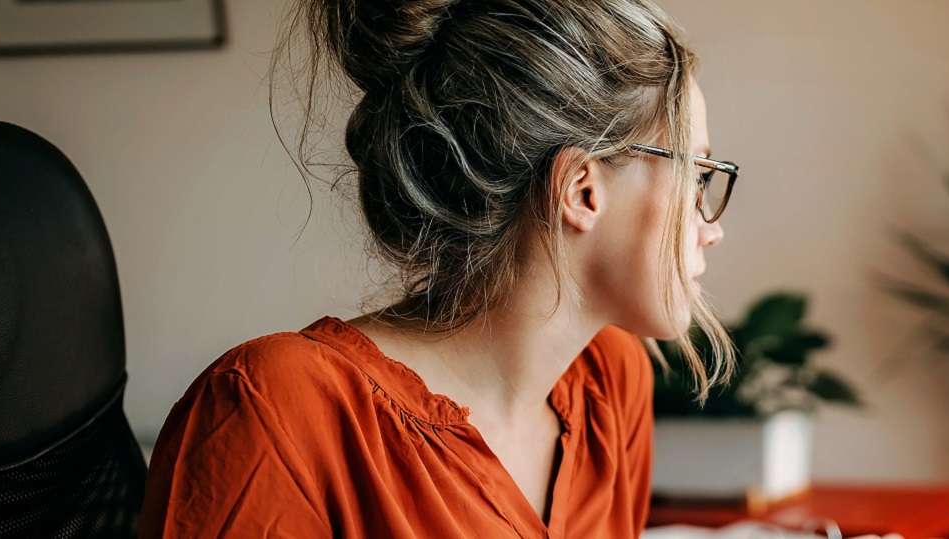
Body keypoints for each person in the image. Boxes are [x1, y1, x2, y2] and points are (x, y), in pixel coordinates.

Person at [139, 0, 738, 536]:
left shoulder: (610, 382)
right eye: (698, 175)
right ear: (583, 192)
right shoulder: (274, 411)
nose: (711, 228)